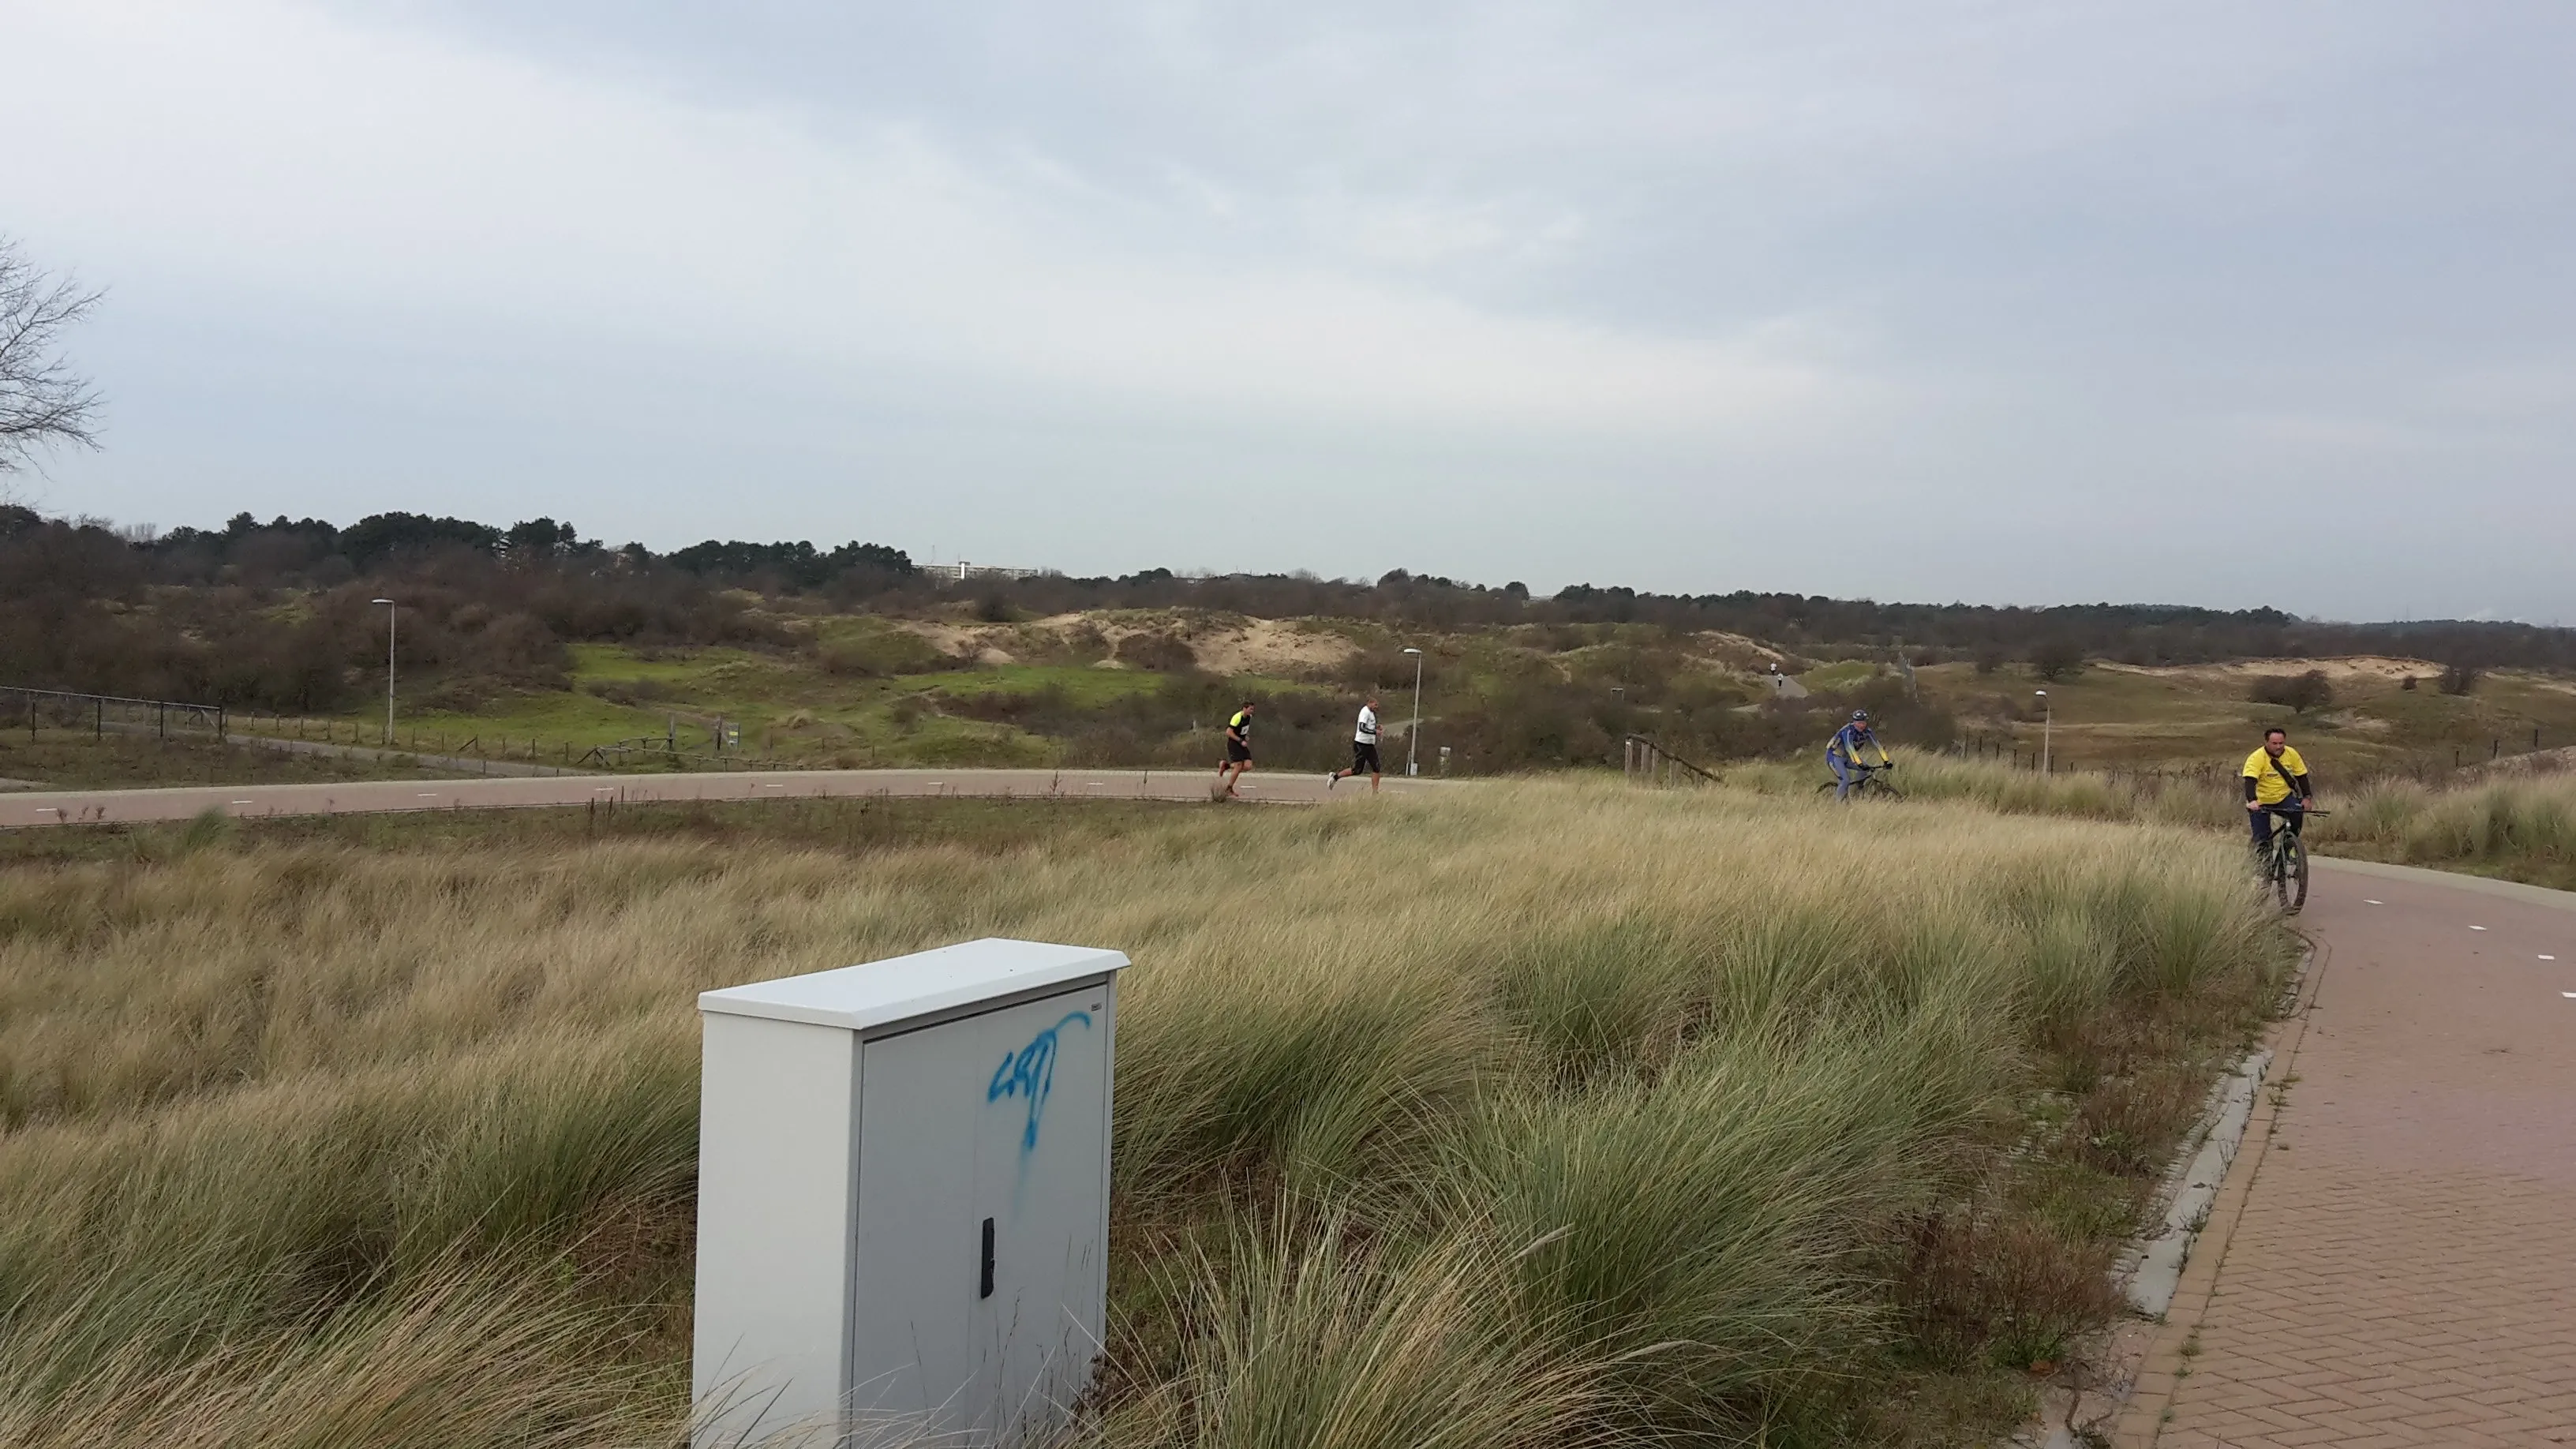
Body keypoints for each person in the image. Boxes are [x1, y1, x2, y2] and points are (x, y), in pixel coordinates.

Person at [2242, 727, 2313, 856]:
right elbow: (2250, 781)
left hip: (2283, 798)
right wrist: (2252, 801)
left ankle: (2290, 847)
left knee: (2297, 812)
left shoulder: (2292, 754)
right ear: (2266, 742)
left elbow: (2302, 777)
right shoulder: (2257, 757)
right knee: (2263, 838)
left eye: (2281, 743)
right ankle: (2264, 866)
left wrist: (2307, 797)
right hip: (2261, 801)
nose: (2279, 747)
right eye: (2275, 743)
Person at [1825, 709, 1891, 799]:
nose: (1862, 725)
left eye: (1863, 723)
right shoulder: (1848, 731)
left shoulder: (1868, 731)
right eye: (1859, 723)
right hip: (1834, 757)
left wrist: (1886, 761)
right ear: (1854, 722)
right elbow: (1850, 748)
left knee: (1867, 769)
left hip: (1847, 757)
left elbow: (1878, 746)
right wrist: (1859, 763)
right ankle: (1839, 805)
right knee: (1845, 780)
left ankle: (1855, 792)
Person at [1327, 695, 1383, 792]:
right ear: (1369, 703)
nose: (1376, 707)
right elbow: (1362, 728)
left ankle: (1375, 792)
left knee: (1376, 767)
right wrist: (1375, 732)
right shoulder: (1365, 712)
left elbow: (1369, 726)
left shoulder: (1371, 713)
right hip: (1361, 744)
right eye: (1375, 705)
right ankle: (1335, 777)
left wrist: (1376, 727)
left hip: (1370, 745)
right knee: (1357, 770)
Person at [1215, 700, 1256, 799]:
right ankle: (1229, 789)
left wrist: (1245, 736)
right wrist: (1240, 740)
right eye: (1250, 709)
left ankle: (1226, 765)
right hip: (1234, 743)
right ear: (1244, 709)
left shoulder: (1249, 717)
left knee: (1248, 766)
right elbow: (1228, 732)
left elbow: (1244, 729)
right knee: (1238, 766)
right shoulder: (1237, 717)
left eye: (1253, 709)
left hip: (1242, 743)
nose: (1252, 711)